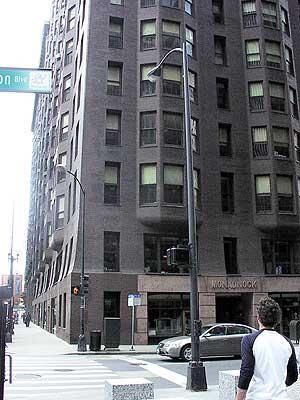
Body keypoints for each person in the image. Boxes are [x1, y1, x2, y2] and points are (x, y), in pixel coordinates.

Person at [236, 296, 298, 400]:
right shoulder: (287, 342)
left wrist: (239, 398)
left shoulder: (249, 340)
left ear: (258, 318)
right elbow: (293, 376)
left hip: (257, 396)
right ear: (277, 320)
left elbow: (246, 372)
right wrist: (279, 386)